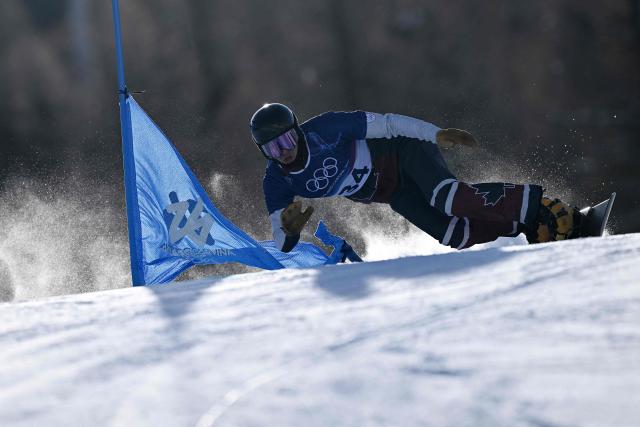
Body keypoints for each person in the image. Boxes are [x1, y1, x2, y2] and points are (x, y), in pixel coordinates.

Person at [250, 103, 580, 253]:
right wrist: (289, 232)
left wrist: (434, 134)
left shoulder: (327, 128)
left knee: (449, 199)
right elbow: (280, 239)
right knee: (454, 235)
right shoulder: (276, 181)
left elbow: (389, 123)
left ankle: (542, 207)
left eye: (288, 140)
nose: (284, 152)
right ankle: (522, 226)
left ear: (298, 130)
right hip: (391, 191)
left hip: (403, 155)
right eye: (272, 148)